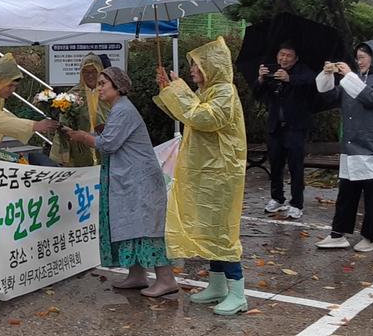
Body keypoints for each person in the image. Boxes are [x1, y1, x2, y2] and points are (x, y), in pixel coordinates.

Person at [154, 36, 248, 316]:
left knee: (222, 233)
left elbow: (203, 118)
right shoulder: (210, 91)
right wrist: (169, 90)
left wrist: (177, 89)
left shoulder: (225, 92)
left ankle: (238, 293)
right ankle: (217, 285)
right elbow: (189, 113)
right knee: (209, 230)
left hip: (220, 175)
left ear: (212, 66)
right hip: (208, 173)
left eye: (197, 65)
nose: (193, 70)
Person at [66, 67, 179, 298]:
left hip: (139, 181)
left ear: (117, 86)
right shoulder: (118, 109)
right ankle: (137, 275)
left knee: (147, 228)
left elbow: (108, 144)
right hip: (130, 179)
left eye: (103, 83)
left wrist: (83, 137)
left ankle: (166, 279)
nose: (99, 88)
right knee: (130, 226)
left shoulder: (123, 110)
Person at [314, 40, 373, 252]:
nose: (359, 62)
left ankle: (372, 238)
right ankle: (337, 234)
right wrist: (327, 75)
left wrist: (349, 76)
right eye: (357, 58)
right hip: (352, 148)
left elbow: (372, 98)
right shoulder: (354, 79)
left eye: (362, 57)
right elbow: (330, 97)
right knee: (346, 193)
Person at [254, 41, 315, 219]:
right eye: (282, 54)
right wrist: (261, 78)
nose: (284, 58)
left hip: (295, 127)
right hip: (275, 127)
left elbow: (311, 83)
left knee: (295, 166)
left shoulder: (303, 71)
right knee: (275, 164)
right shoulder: (272, 70)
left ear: (295, 58)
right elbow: (257, 94)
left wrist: (289, 79)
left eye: (288, 56)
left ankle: (297, 203)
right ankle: (277, 198)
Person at [49, 53, 110, 167]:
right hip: (80, 149)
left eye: (94, 71)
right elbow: (63, 126)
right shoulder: (72, 95)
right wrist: (63, 154)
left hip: (105, 145)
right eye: (86, 72)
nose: (90, 75)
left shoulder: (108, 93)